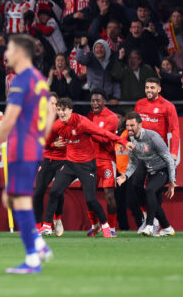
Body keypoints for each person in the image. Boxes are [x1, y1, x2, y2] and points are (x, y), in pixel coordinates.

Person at [0, 34, 54, 274]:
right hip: (30, 146)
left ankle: (33, 258)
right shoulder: (39, 80)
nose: (6, 53)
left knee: (19, 199)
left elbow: (9, 118)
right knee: (10, 199)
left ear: (20, 53)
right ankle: (39, 245)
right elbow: (51, 111)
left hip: (22, 147)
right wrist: (41, 138)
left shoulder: (22, 80)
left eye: (9, 49)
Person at [39, 98, 127, 239]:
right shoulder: (57, 125)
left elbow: (103, 133)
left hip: (86, 165)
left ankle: (105, 226)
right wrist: (54, 144)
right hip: (70, 164)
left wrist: (123, 141)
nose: (61, 113)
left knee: (90, 199)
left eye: (64, 110)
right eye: (59, 110)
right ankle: (47, 226)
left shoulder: (82, 122)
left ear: (70, 110)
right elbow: (45, 142)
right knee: (54, 191)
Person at [132, 77, 180, 233]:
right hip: (141, 152)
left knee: (153, 190)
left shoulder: (168, 106)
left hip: (157, 154)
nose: (149, 90)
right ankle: (147, 216)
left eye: (152, 88)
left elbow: (175, 130)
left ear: (159, 89)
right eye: (147, 87)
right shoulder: (139, 104)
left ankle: (154, 223)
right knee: (136, 184)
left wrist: (174, 152)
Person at [117, 112, 177, 237]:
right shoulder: (132, 139)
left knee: (149, 190)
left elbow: (169, 159)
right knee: (153, 202)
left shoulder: (153, 137)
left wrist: (172, 181)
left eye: (132, 125)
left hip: (164, 170)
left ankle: (150, 225)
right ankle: (167, 227)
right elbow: (133, 162)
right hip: (152, 172)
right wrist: (125, 176)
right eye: (127, 125)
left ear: (140, 125)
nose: (129, 128)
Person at [86, 90, 120, 237]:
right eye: (92, 101)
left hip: (106, 160)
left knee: (109, 195)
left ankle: (111, 227)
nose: (94, 104)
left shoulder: (112, 117)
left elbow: (106, 139)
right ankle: (95, 225)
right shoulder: (90, 116)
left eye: (97, 101)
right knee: (89, 195)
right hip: (90, 161)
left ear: (104, 102)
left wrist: (89, 132)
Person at [33, 93, 65, 236]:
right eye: (49, 103)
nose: (51, 106)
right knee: (38, 192)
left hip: (62, 160)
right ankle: (37, 226)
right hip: (46, 160)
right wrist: (52, 144)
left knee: (57, 191)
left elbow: (68, 142)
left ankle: (57, 219)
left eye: (54, 103)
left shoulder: (64, 121)